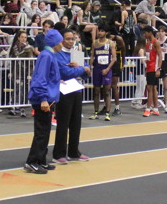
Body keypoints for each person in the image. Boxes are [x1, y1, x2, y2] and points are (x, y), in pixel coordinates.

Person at [24, 28, 64, 174]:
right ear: (55, 43)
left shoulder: (50, 55)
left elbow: (49, 76)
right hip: (43, 99)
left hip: (48, 98)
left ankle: (41, 159)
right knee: (41, 132)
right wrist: (43, 99)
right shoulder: (46, 56)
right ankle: (32, 161)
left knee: (45, 131)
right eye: (60, 42)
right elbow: (40, 78)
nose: (62, 44)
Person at [51, 28, 91, 164]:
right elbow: (66, 72)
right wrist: (81, 68)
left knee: (76, 123)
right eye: (67, 39)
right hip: (64, 91)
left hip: (77, 89)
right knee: (63, 123)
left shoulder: (76, 53)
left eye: (72, 39)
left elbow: (87, 72)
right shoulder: (58, 54)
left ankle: (74, 152)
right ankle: (58, 154)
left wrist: (81, 69)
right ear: (61, 40)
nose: (70, 41)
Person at [89, 28, 116, 121]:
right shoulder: (95, 43)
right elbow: (92, 56)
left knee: (106, 91)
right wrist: (90, 65)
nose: (100, 33)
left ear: (106, 32)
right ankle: (96, 113)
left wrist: (107, 69)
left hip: (106, 69)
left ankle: (107, 113)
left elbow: (114, 58)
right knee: (96, 91)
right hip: (97, 69)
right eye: (99, 31)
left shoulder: (110, 43)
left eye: (102, 31)